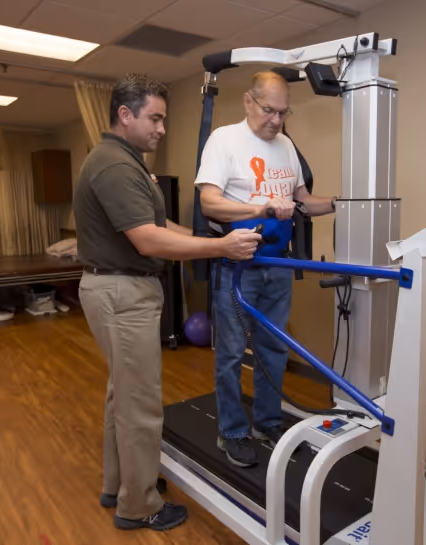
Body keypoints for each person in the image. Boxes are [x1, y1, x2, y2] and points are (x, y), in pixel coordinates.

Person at [73, 73, 262, 531]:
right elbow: (148, 240)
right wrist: (220, 249)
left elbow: (162, 224)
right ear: (125, 114)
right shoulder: (115, 166)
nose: (161, 128)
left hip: (119, 289)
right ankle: (138, 505)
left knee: (124, 394)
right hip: (122, 292)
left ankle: (120, 483)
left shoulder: (125, 160)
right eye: (155, 118)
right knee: (139, 404)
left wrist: (206, 240)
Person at [195, 72, 338, 468]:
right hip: (238, 265)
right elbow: (209, 203)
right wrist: (260, 208)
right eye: (268, 110)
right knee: (228, 353)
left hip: (278, 263)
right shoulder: (224, 140)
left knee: (273, 348)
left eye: (282, 111)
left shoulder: (287, 145)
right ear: (248, 102)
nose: (276, 120)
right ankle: (233, 432)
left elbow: (303, 201)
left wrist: (341, 203)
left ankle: (267, 423)